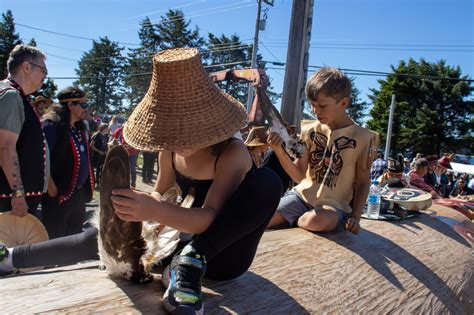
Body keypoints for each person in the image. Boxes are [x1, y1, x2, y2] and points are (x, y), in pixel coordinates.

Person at [0, 49, 282, 315]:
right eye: (169, 129)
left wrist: (155, 211)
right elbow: (161, 192)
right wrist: (140, 212)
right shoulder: (169, 148)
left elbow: (209, 218)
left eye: (189, 130)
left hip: (220, 254)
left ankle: (189, 264)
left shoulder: (231, 152)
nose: (177, 139)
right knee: (105, 234)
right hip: (173, 242)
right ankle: (12, 256)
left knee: (267, 182)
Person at [267, 67, 379, 235]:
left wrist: (356, 217)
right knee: (263, 219)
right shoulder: (309, 130)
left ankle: (293, 220)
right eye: (312, 105)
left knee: (319, 220)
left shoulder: (364, 138)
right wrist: (279, 151)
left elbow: (363, 182)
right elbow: (299, 176)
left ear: (343, 103)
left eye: (322, 105)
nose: (315, 111)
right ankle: (295, 219)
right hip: (301, 197)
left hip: (333, 207)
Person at [0, 44, 48, 217]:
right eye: (43, 71)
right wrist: (18, 193)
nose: (45, 76)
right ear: (26, 67)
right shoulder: (11, 95)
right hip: (10, 202)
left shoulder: (14, 95)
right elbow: (5, 147)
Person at [41, 86, 95, 239]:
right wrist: (51, 186)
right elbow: (42, 158)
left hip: (78, 194)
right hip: (58, 194)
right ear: (70, 105)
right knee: (55, 238)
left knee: (74, 237)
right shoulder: (52, 126)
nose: (87, 108)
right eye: (83, 104)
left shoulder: (79, 129)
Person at [244, 125, 292, 194]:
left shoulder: (255, 156)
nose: (269, 146)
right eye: (266, 143)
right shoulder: (249, 156)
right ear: (261, 144)